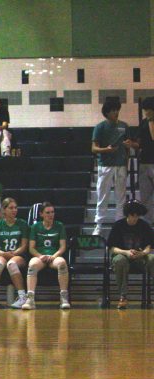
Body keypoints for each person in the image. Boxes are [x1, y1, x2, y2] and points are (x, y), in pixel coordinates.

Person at [91, 98, 131, 236]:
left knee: (121, 197)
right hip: (105, 165)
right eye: (113, 110)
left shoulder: (124, 126)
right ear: (107, 112)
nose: (116, 112)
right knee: (103, 196)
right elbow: (94, 148)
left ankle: (119, 224)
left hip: (121, 165)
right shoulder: (100, 127)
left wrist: (127, 158)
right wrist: (106, 149)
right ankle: (98, 224)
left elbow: (128, 146)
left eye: (117, 109)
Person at [22, 202, 70, 310]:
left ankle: (63, 297)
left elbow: (62, 247)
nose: (50, 215)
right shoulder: (35, 227)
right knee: (32, 264)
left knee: (62, 263)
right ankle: (30, 299)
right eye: (47, 212)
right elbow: (31, 248)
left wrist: (54, 256)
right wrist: (40, 256)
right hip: (40, 256)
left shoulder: (59, 226)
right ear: (41, 214)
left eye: (52, 212)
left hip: (54, 256)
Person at [107, 200, 154, 309]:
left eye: (137, 216)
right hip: (122, 255)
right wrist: (126, 252)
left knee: (152, 259)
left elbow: (149, 246)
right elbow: (112, 248)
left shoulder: (144, 225)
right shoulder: (118, 226)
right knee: (119, 261)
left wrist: (142, 253)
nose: (135, 218)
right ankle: (123, 296)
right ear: (128, 214)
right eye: (133, 216)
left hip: (139, 256)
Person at [0, 198, 29, 309]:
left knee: (12, 264)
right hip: (2, 254)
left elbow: (24, 245)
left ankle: (22, 297)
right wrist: (4, 253)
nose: (14, 210)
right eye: (11, 208)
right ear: (3, 210)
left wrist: (14, 253)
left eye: (15, 208)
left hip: (18, 255)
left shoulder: (22, 224)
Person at [136, 97, 154, 224]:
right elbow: (140, 142)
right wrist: (132, 144)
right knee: (145, 195)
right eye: (145, 110)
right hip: (144, 162)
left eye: (148, 110)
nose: (146, 112)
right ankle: (148, 221)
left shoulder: (148, 122)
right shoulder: (143, 123)